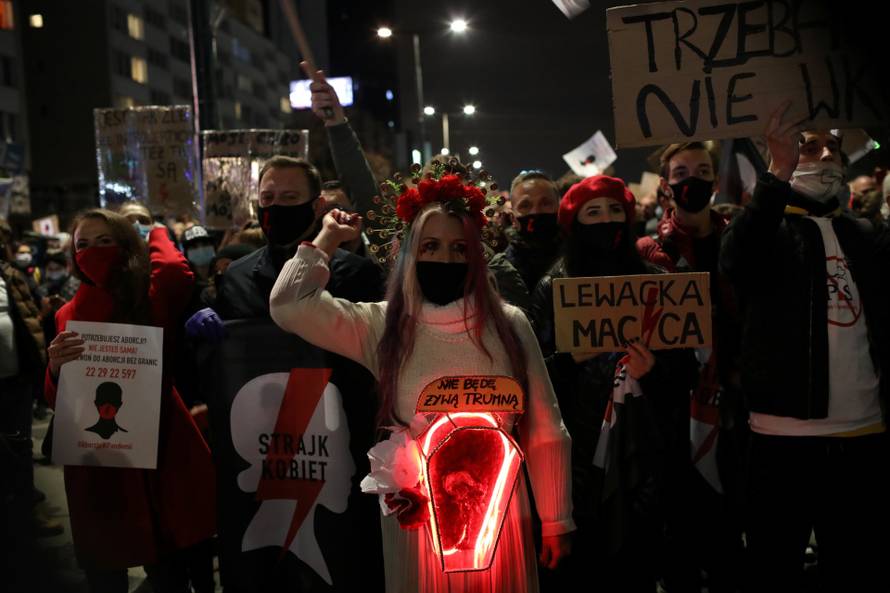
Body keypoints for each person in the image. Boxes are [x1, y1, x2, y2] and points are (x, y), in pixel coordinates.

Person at [269, 166, 575, 593]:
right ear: (409, 252)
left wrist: (556, 519)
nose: (445, 260)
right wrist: (327, 240)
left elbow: (544, 427)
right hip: (419, 520)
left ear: (476, 254)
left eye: (458, 248)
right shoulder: (381, 325)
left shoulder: (509, 324)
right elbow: (288, 306)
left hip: (501, 517)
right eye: (431, 246)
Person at [720, 101, 890, 593]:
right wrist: (778, 172)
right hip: (782, 436)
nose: (823, 155)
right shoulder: (767, 231)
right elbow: (737, 259)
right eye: (808, 145)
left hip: (864, 432)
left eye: (832, 147)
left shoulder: (863, 233)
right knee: (776, 565)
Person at [529, 175, 697, 593]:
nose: (606, 220)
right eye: (593, 212)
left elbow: (685, 374)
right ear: (574, 222)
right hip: (580, 459)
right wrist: (569, 361)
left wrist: (654, 371)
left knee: (635, 566)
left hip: (645, 454)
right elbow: (533, 378)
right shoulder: (553, 288)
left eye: (614, 210)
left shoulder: (658, 282)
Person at [44, 209, 216, 593]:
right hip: (100, 455)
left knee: (168, 557)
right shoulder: (66, 314)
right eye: (82, 244)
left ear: (126, 245)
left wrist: (154, 226)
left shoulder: (148, 296)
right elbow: (59, 399)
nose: (93, 252)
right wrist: (56, 366)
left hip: (160, 443)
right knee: (107, 559)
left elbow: (174, 268)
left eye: (105, 241)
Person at [637, 142, 746, 592]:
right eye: (681, 173)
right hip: (675, 402)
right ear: (666, 187)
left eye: (702, 171)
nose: (692, 181)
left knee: (732, 513)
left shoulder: (741, 240)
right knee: (680, 516)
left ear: (716, 182)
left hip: (739, 399)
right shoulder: (649, 252)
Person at [488, 170, 563, 313]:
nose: (536, 212)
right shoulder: (499, 271)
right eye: (525, 205)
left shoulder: (582, 259)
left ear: (559, 209)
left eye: (545, 203)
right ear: (513, 219)